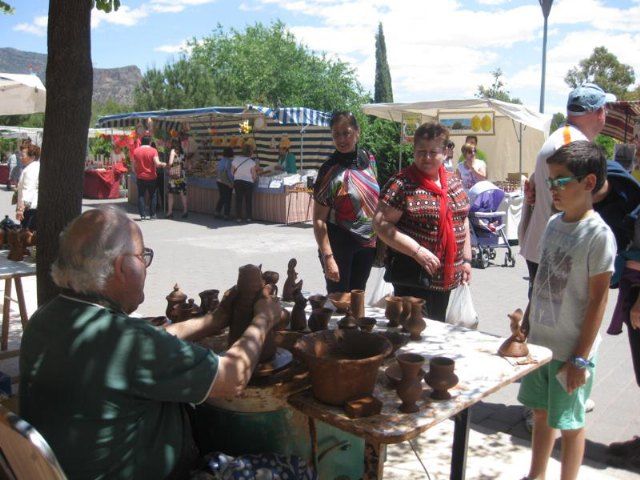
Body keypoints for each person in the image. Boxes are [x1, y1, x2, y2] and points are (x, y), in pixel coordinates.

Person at [19, 206, 283, 480]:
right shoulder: (127, 342)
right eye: (143, 256)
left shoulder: (45, 320)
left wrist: (215, 321)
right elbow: (232, 378)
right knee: (290, 470)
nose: (146, 266)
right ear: (122, 267)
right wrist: (264, 319)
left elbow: (151, 345)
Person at [518, 141, 616, 480]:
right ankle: (536, 475)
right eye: (549, 181)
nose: (552, 189)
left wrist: (580, 358)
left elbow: (598, 301)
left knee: (570, 424)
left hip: (571, 352)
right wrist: (527, 322)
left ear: (588, 183)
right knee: (541, 414)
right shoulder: (553, 224)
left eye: (560, 180)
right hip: (542, 346)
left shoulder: (598, 235)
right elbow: (542, 278)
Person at [519, 83, 616, 298]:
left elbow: (538, 181)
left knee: (541, 313)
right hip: (559, 249)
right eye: (605, 109)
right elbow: (579, 195)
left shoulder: (561, 136)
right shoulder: (573, 144)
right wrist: (609, 187)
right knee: (555, 317)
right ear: (599, 112)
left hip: (548, 245)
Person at [373, 122, 472, 322]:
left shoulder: (453, 182)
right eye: (421, 151)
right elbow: (380, 224)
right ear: (413, 150)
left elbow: (463, 218)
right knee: (416, 333)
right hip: (415, 278)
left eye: (432, 152)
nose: (426, 157)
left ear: (445, 152)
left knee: (436, 333)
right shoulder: (402, 184)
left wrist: (467, 261)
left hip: (446, 278)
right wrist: (417, 251)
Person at [313, 111, 380, 294]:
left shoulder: (369, 158)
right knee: (340, 301)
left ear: (357, 132)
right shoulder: (329, 170)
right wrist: (328, 257)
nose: (342, 139)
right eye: (336, 134)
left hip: (367, 245)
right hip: (338, 245)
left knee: (358, 299)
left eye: (346, 133)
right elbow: (319, 220)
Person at [133, 135, 166, 220]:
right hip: (151, 177)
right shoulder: (153, 150)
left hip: (140, 177)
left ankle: (142, 215)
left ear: (141, 141)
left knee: (141, 195)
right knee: (153, 195)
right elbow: (157, 164)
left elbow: (133, 166)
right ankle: (152, 215)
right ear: (150, 142)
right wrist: (164, 164)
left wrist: (137, 173)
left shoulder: (136, 151)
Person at [15, 143, 40, 231]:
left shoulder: (31, 169)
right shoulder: (34, 167)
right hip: (31, 208)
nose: (20, 157)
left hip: (30, 209)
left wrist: (21, 209)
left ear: (32, 157)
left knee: (26, 237)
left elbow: (28, 189)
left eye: (22, 155)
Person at [232, 143, 258, 223]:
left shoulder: (235, 160)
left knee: (238, 200)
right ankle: (248, 217)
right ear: (250, 152)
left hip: (238, 181)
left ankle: (238, 217)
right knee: (248, 200)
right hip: (248, 183)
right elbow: (254, 175)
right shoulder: (251, 162)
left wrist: (238, 175)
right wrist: (254, 179)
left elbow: (232, 172)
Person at [166, 139, 189, 219]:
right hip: (182, 175)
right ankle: (185, 211)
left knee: (170, 194)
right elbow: (186, 165)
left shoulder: (173, 151)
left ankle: (169, 212)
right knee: (183, 194)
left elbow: (170, 162)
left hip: (174, 176)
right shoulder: (183, 153)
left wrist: (168, 167)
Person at [215, 146, 235, 220]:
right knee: (228, 198)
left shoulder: (221, 160)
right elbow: (229, 174)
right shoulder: (229, 162)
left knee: (222, 197)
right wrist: (232, 182)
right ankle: (226, 215)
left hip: (219, 181)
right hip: (225, 182)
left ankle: (217, 212)